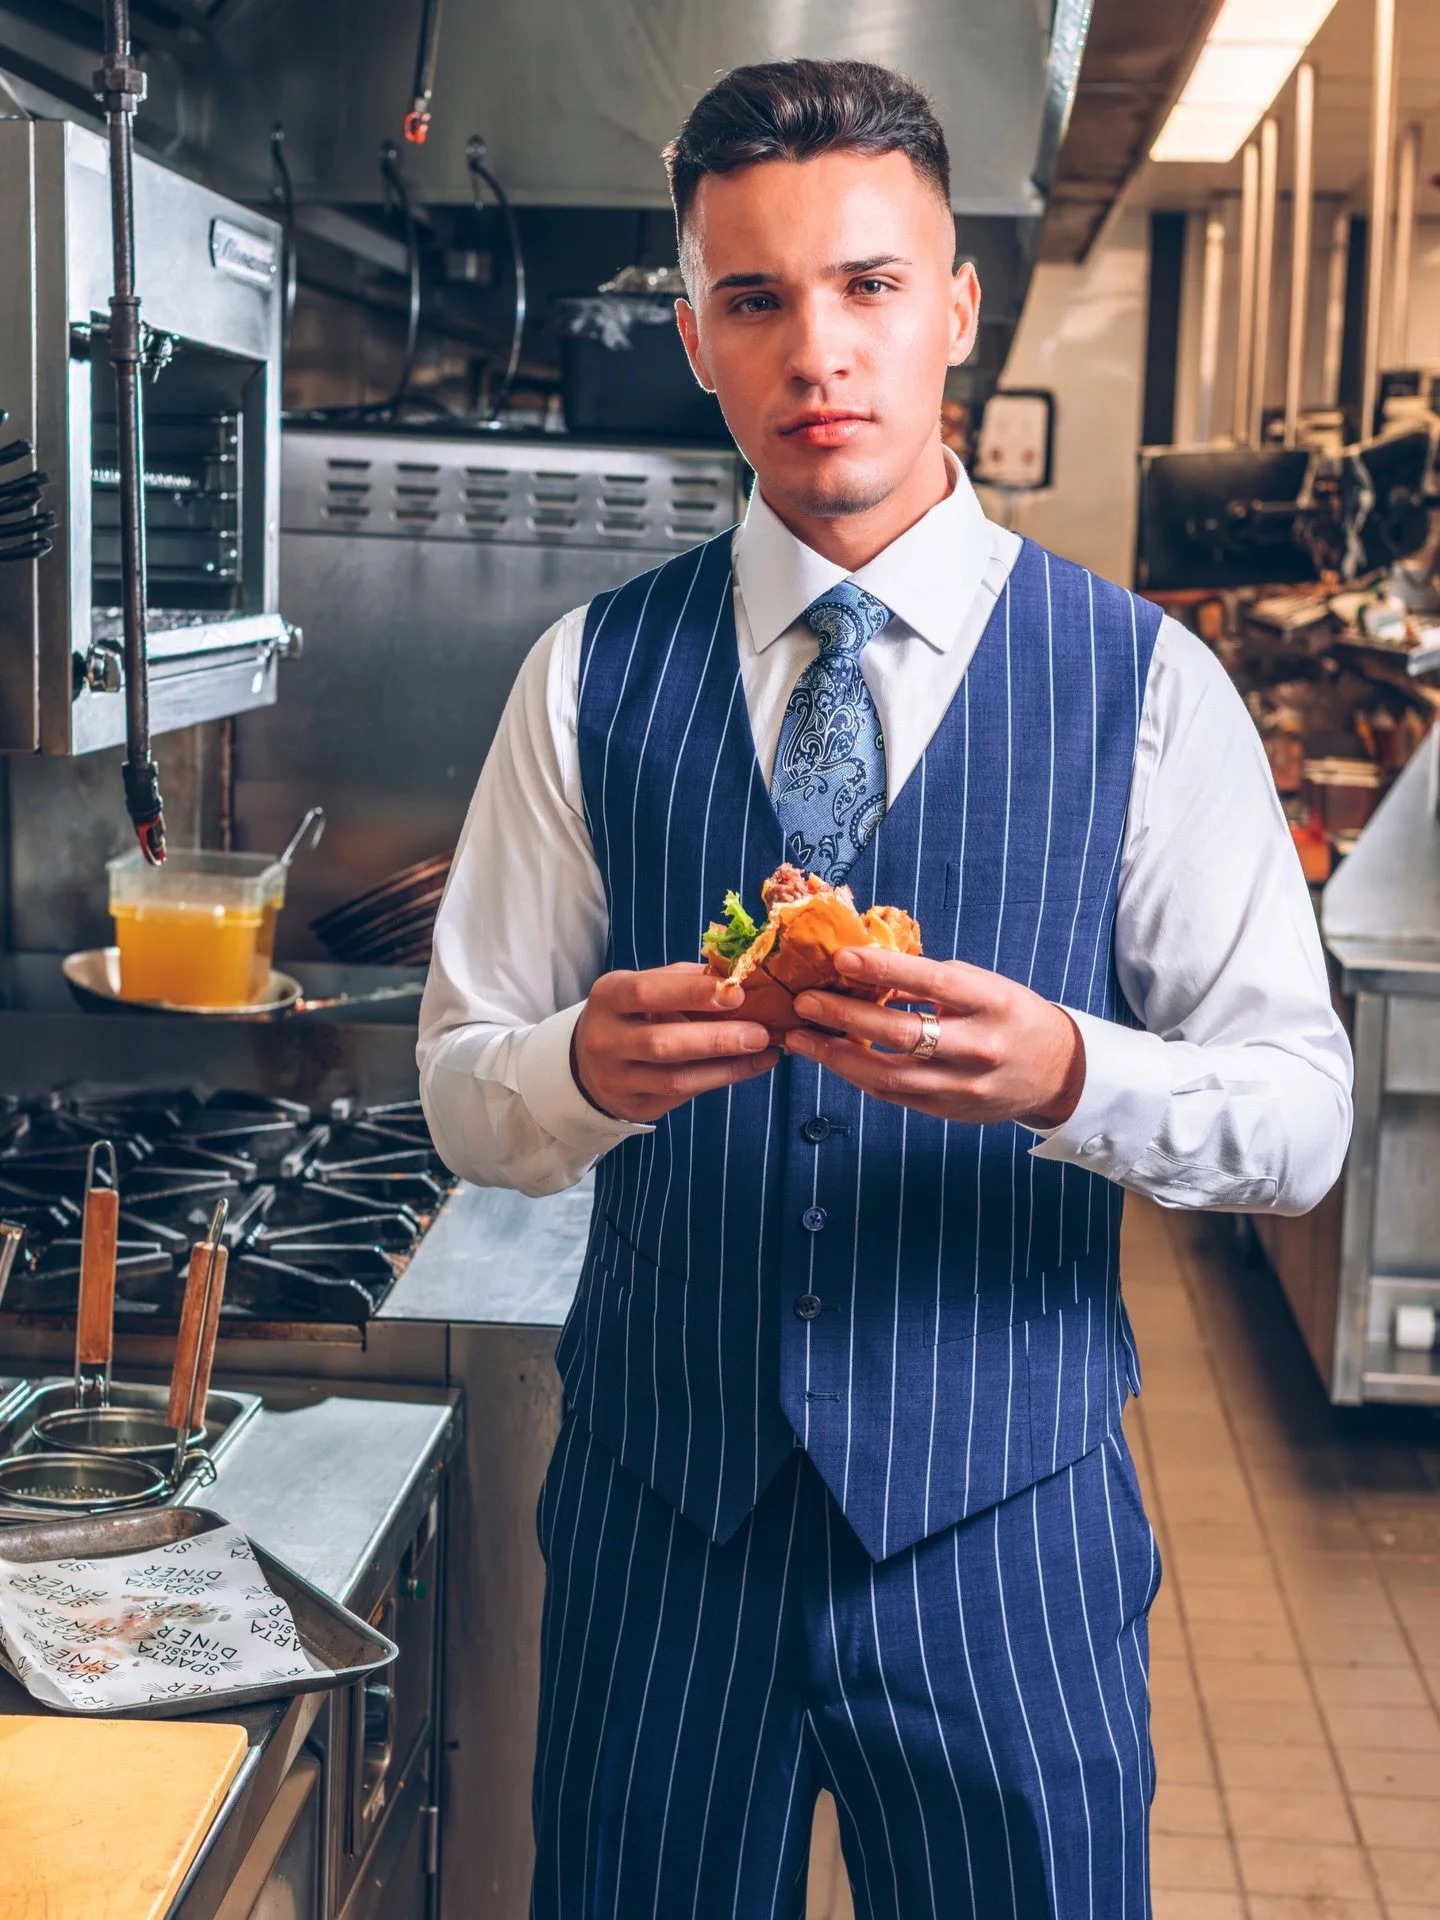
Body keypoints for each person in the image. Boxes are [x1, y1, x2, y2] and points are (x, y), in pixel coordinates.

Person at [418, 57, 1353, 1920]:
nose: (818, 351)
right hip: (665, 1530)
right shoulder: (586, 676)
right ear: (697, 337)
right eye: (755, 299)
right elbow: (459, 1087)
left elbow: (1303, 1119)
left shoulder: (1145, 688)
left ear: (959, 310)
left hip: (1008, 1538)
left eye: (868, 286)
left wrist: (1075, 1071)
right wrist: (578, 1070)